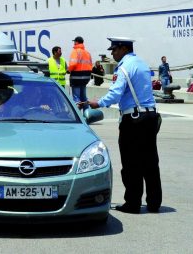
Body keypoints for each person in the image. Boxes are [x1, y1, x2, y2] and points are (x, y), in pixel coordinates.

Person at [78, 37, 162, 214]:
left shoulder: (124, 67)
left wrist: (98, 103)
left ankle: (133, 203)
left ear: (123, 49)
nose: (113, 54)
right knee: (150, 162)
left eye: (114, 50)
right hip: (150, 116)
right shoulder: (142, 64)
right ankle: (154, 203)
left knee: (131, 163)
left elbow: (115, 94)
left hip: (133, 119)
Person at [68, 36, 93, 104]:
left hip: (76, 77)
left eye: (74, 42)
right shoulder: (87, 53)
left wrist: (69, 70)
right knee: (83, 97)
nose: (74, 43)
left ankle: (77, 110)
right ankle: (86, 110)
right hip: (86, 78)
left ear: (76, 42)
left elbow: (73, 64)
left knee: (76, 99)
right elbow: (91, 65)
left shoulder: (75, 51)